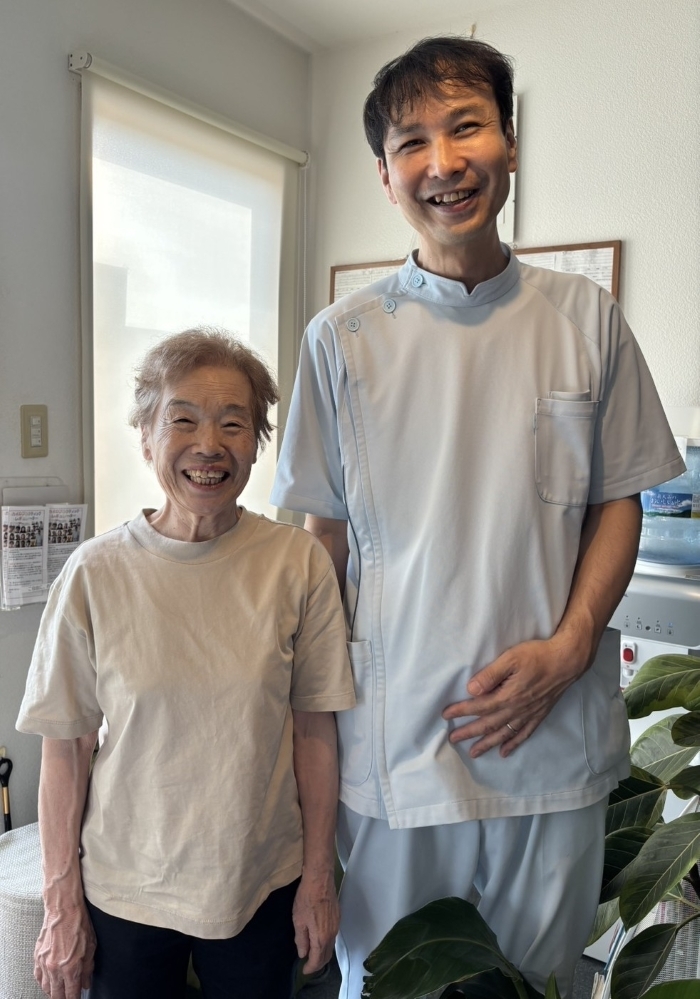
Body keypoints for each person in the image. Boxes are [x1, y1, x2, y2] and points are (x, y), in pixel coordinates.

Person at [270, 35, 685, 998]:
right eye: (412, 142)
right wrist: (301, 729)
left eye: (467, 127)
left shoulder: (587, 319)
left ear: (510, 143)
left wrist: (572, 647)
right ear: (384, 175)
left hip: (554, 743)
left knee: (539, 981)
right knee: (389, 981)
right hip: (397, 747)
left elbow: (618, 501)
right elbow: (322, 545)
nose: (444, 162)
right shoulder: (341, 339)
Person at [17, 328, 356, 999]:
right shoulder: (95, 573)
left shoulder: (297, 564)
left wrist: (319, 876)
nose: (209, 445)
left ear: (256, 443)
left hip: (259, 881)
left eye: (233, 423)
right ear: (146, 437)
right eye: (183, 420)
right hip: (125, 890)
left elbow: (315, 731)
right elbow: (66, 748)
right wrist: (61, 901)